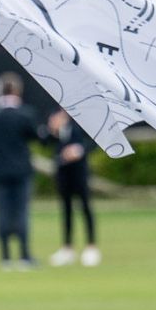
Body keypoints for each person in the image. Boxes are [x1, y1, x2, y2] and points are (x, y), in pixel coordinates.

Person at [0, 73, 44, 268]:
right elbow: (36, 137)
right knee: (21, 211)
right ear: (18, 91)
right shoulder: (26, 114)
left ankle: (6, 256)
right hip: (21, 171)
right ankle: (24, 255)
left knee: (2, 212)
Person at [47, 110, 99, 266]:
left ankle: (91, 246)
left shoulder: (81, 120)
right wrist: (53, 130)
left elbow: (93, 142)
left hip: (79, 171)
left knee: (85, 207)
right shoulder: (56, 121)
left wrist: (79, 150)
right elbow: (46, 142)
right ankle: (67, 248)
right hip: (63, 172)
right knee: (66, 209)